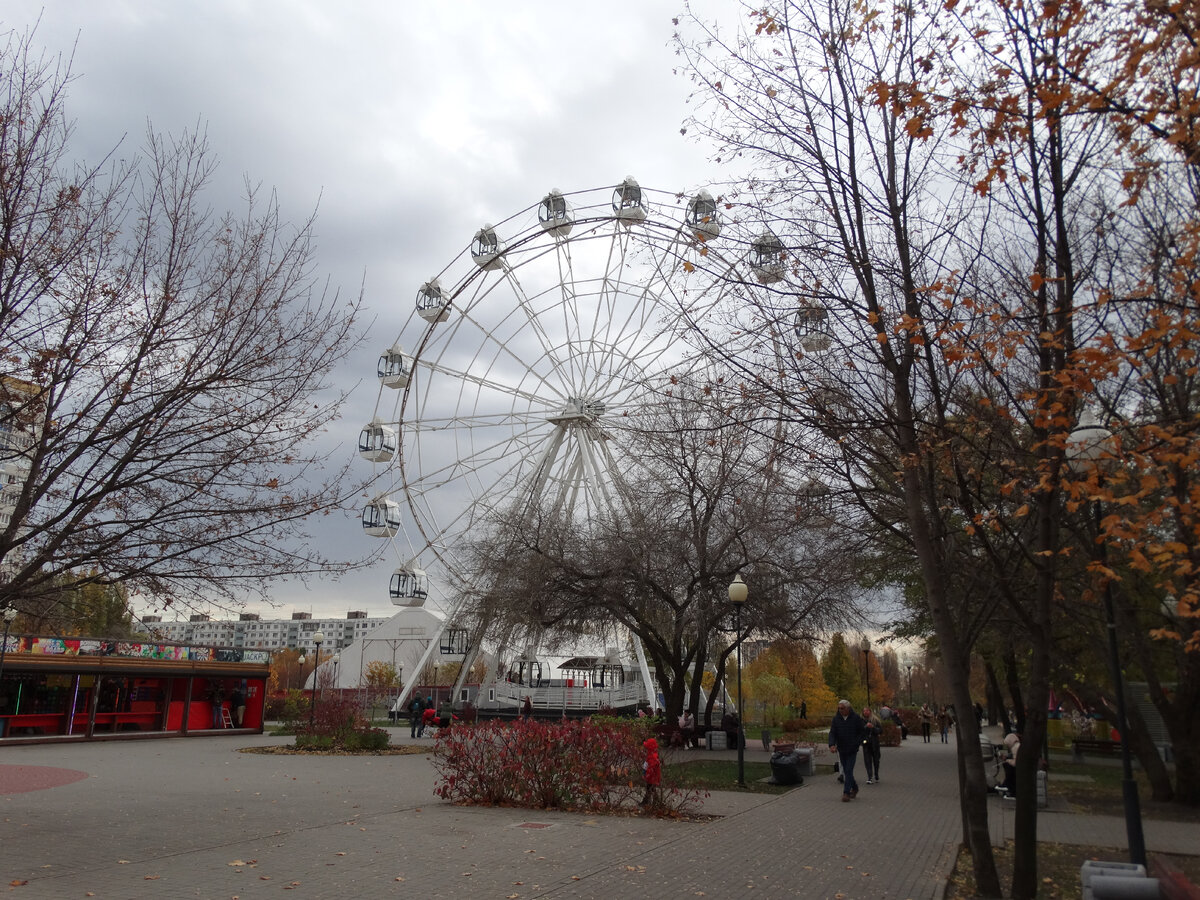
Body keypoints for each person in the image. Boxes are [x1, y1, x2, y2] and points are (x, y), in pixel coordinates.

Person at [828, 699, 866, 801]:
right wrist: (832, 744)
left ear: (848, 708)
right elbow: (832, 733)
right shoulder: (836, 719)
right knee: (846, 770)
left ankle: (846, 793)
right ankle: (855, 788)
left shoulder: (856, 718)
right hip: (841, 748)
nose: (840, 710)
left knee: (848, 770)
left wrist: (857, 743)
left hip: (852, 749)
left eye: (842, 708)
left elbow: (862, 732)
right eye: (839, 708)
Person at [861, 706, 882, 784]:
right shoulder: (861, 720)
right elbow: (859, 731)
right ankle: (870, 776)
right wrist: (866, 727)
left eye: (867, 711)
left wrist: (873, 727)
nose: (865, 712)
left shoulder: (875, 720)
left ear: (870, 711)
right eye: (864, 711)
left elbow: (880, 731)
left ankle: (876, 774)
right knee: (867, 760)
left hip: (874, 743)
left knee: (876, 760)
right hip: (866, 743)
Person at [640, 737, 662, 807]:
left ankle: (648, 801)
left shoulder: (652, 757)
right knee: (651, 789)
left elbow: (651, 768)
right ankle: (654, 801)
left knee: (650, 788)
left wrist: (647, 775)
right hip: (652, 776)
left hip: (652, 777)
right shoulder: (651, 755)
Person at [999, 732, 1020, 797]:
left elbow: (1015, 763)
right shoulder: (1017, 745)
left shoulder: (1015, 748)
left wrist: (1007, 760)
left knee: (1009, 768)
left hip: (1017, 768)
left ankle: (1008, 786)